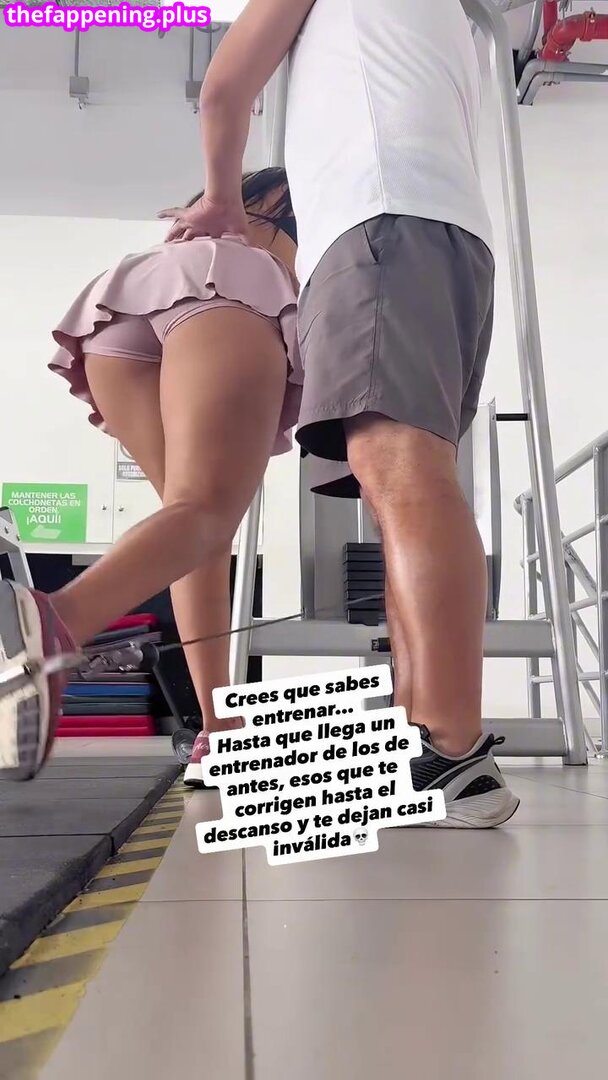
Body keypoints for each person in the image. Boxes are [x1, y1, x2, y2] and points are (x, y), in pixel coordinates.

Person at [160, 0, 520, 826]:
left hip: (377, 220)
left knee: (401, 472)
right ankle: (429, 738)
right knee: (399, 482)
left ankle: (456, 749)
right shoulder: (445, 21)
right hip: (441, 233)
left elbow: (224, 89)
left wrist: (222, 203)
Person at [0, 168, 300, 783]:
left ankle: (218, 730)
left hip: (122, 306)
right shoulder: (304, 199)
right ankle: (55, 622)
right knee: (204, 512)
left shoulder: (241, 198)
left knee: (195, 531)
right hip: (230, 295)